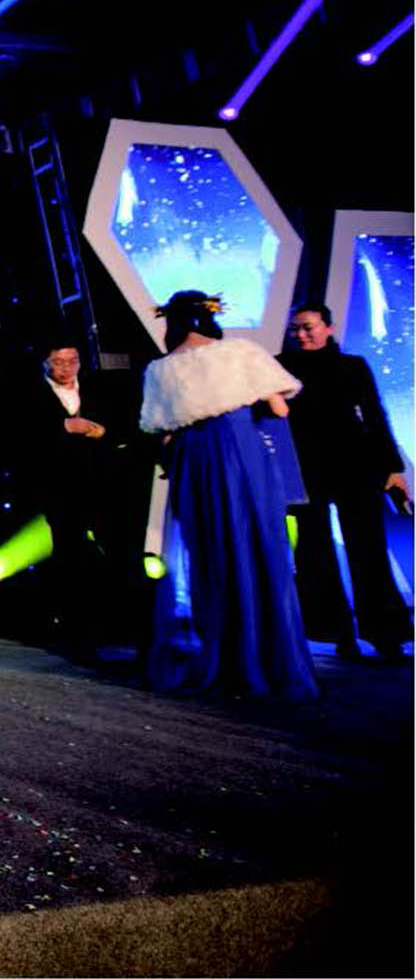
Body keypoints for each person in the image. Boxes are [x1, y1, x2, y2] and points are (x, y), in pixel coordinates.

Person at [140, 290, 315, 699]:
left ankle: (225, 654)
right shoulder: (239, 352)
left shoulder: (161, 369)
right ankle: (270, 656)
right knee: (257, 547)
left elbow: (161, 432)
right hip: (241, 455)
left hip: (194, 461)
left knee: (211, 554)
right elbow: (280, 408)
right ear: (209, 316)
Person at [278, 302, 410, 660]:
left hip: (355, 464)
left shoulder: (352, 366)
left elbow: (375, 415)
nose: (301, 335)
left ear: (328, 327)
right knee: (313, 551)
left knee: (368, 549)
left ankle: (386, 635)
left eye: (308, 327)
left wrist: (392, 467)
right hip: (305, 469)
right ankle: (335, 633)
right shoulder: (279, 366)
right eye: (295, 329)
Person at [12, 336, 129, 658]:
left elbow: (122, 427)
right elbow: (18, 437)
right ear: (45, 363)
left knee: (113, 551)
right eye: (58, 362)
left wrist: (102, 433)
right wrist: (63, 427)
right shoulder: (30, 394)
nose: (66, 368)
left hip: (101, 484)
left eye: (72, 361)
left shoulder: (97, 389)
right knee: (68, 554)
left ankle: (115, 622)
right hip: (57, 488)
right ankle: (72, 627)